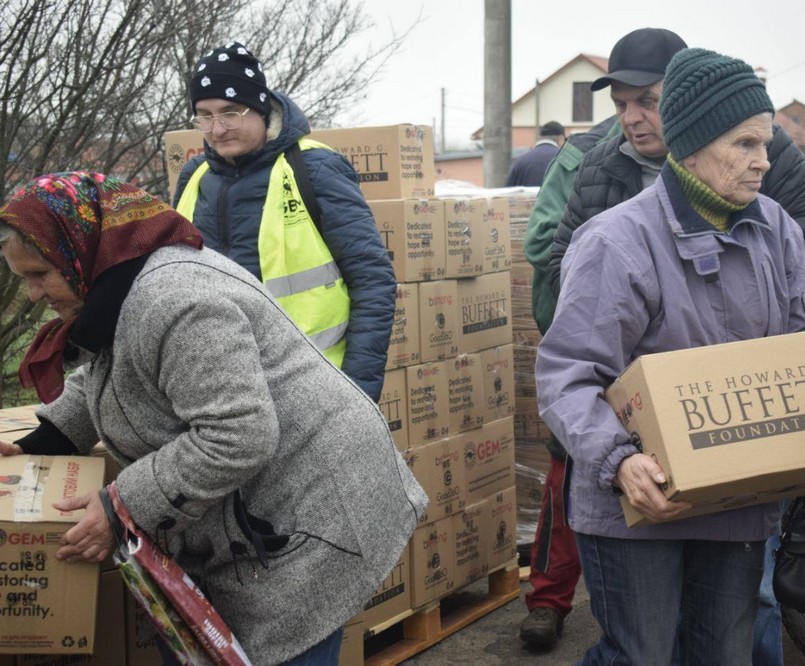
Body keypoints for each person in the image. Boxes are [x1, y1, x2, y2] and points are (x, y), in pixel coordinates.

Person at [0, 172, 428, 666]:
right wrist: (41, 444)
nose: (33, 295)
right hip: (261, 504)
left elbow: (237, 434)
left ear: (79, 249)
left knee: (281, 653)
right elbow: (112, 375)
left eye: (39, 274)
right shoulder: (115, 286)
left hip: (312, 505)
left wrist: (122, 503)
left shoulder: (175, 301)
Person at [534, 48, 805, 665]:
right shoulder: (617, 241)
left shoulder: (777, 231)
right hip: (638, 506)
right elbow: (567, 377)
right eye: (745, 144)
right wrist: (619, 462)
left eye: (765, 144)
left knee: (725, 654)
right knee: (643, 656)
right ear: (692, 147)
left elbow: (804, 353)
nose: (763, 162)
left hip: (737, 504)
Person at [173, 42, 395, 402]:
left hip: (312, 387)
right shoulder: (193, 177)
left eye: (231, 112)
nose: (217, 129)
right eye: (205, 115)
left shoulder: (316, 169)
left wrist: (358, 394)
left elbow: (372, 282)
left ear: (260, 109)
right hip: (218, 389)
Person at [505, 121, 567, 187]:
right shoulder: (565, 160)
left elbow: (508, 191)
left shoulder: (520, 161)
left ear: (540, 137)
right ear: (561, 138)